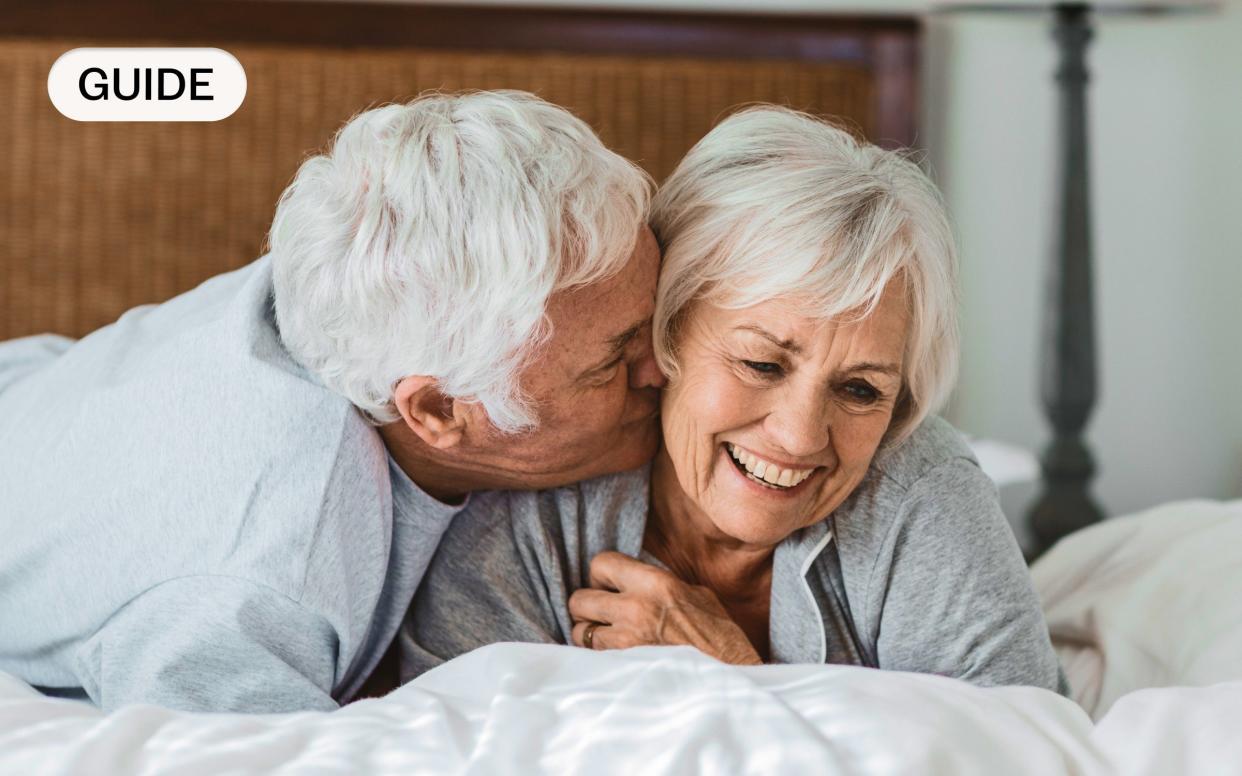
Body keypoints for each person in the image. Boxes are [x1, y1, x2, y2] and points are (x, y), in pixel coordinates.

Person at [0, 91, 664, 712]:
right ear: (437, 411)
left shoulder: (363, 274)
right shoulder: (262, 581)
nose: (664, 369)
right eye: (616, 359)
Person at [402, 106, 1067, 693]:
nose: (803, 436)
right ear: (665, 332)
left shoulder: (922, 496)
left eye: (861, 389)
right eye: (762, 362)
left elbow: (1025, 751)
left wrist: (741, 685)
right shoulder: (527, 507)